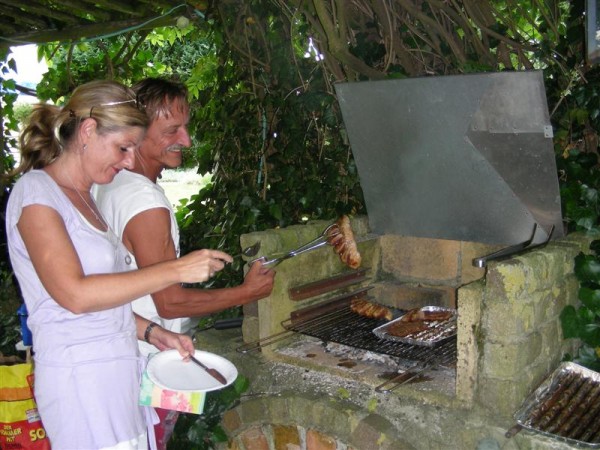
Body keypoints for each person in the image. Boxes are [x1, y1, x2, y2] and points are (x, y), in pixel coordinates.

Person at [5, 79, 233, 450]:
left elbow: (101, 301)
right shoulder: (35, 193)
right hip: (81, 384)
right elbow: (75, 295)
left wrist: (150, 332)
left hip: (119, 373)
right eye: (123, 147)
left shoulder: (86, 196)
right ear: (89, 131)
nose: (129, 160)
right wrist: (175, 270)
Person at [94, 78, 275, 448]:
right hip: (148, 364)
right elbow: (170, 302)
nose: (187, 140)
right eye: (172, 130)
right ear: (136, 134)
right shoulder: (145, 203)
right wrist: (247, 292)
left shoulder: (107, 181)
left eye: (186, 127)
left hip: (121, 350)